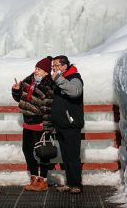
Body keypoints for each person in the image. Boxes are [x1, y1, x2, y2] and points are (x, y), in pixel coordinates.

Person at [12, 56, 57, 192]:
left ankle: (42, 180)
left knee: (43, 152)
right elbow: (19, 98)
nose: (36, 71)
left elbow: (49, 108)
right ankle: (34, 177)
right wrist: (17, 90)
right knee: (27, 149)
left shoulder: (49, 85)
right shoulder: (28, 80)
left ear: (46, 72)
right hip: (27, 122)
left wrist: (48, 128)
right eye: (36, 68)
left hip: (40, 124)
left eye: (39, 69)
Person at [51, 55, 84, 194]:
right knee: (65, 157)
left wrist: (58, 79)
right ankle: (70, 183)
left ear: (64, 66)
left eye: (56, 65)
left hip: (71, 125)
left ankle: (76, 184)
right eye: (53, 66)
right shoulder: (60, 80)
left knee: (73, 156)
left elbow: (75, 92)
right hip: (61, 125)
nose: (54, 68)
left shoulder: (74, 77)